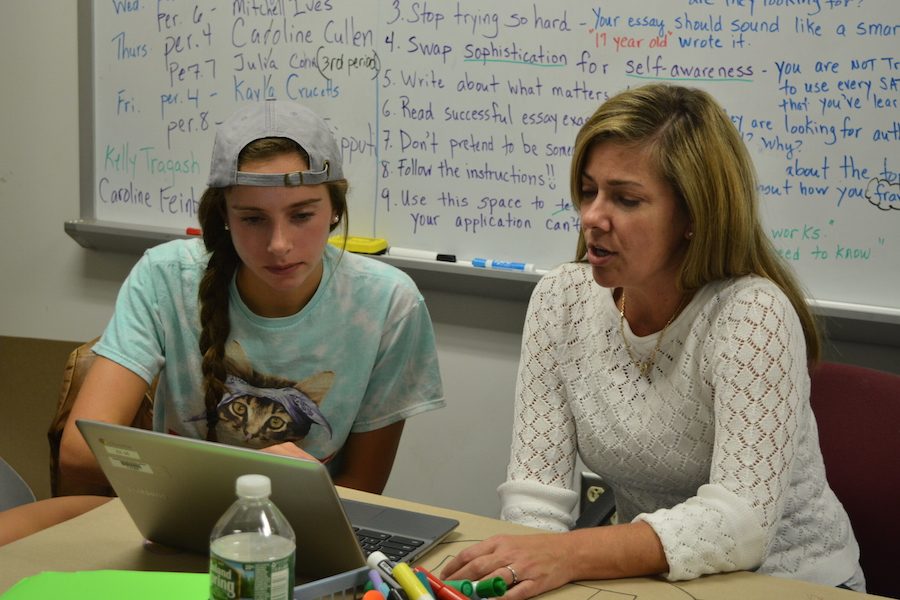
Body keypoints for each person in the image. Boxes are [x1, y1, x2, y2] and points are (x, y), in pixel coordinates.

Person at [440, 84, 864, 596]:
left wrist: (566, 554)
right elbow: (538, 497)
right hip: (653, 582)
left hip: (790, 583)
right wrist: (526, 573)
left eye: (626, 198)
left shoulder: (752, 312)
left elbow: (739, 524)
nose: (593, 217)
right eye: (589, 190)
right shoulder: (561, 299)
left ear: (692, 216)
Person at [60, 100, 444, 495]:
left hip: (300, 533)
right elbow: (79, 454)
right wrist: (256, 484)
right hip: (176, 520)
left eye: (301, 215)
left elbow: (362, 488)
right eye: (253, 219)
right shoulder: (164, 277)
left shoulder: (389, 303)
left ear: (334, 209)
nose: (279, 245)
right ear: (224, 215)